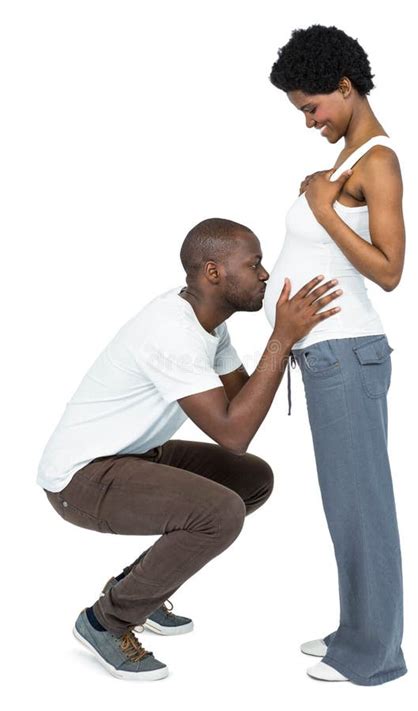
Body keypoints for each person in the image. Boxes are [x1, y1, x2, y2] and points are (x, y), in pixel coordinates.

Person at [38, 216, 342, 681]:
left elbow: (241, 406)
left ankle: (139, 588)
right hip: (80, 480)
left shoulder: (209, 325)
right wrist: (282, 337)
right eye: (254, 263)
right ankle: (106, 621)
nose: (264, 274)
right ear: (214, 273)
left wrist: (288, 340)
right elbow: (232, 431)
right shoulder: (171, 331)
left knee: (251, 479)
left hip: (132, 456)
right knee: (219, 512)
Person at [263, 24, 407, 686]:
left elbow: (390, 269)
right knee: (342, 502)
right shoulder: (343, 162)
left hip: (347, 355)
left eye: (311, 107)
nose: (308, 121)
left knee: (363, 504)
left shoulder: (376, 161)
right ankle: (356, 629)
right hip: (327, 358)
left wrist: (322, 208)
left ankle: (376, 654)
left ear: (344, 89)